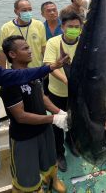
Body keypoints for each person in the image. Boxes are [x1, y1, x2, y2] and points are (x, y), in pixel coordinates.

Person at [0, 35, 68, 193]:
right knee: (26, 178)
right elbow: (21, 116)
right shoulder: (9, 84)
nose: (30, 50)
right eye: (25, 48)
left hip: (44, 131)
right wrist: (53, 118)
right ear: (12, 54)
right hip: (24, 138)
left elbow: (41, 97)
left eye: (29, 47)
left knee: (50, 163)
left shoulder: (32, 74)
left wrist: (59, 112)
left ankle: (52, 181)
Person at [43, 12, 82, 172]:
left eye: (77, 27)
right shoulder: (53, 42)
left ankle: (71, 142)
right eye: (70, 27)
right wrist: (66, 81)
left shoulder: (84, 42)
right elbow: (50, 66)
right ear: (62, 27)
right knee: (58, 124)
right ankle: (59, 153)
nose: (73, 29)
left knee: (75, 121)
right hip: (57, 93)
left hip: (78, 93)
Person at [0, 0, 46, 69]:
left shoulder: (39, 25)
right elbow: (2, 52)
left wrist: (46, 68)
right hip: (15, 71)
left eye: (30, 9)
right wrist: (3, 72)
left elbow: (43, 47)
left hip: (36, 69)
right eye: (24, 10)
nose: (28, 12)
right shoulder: (6, 28)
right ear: (16, 11)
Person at [41, 1, 63, 96]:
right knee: (47, 91)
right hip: (46, 64)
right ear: (42, 14)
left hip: (63, 63)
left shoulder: (65, 26)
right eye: (49, 11)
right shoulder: (40, 27)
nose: (52, 13)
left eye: (54, 10)